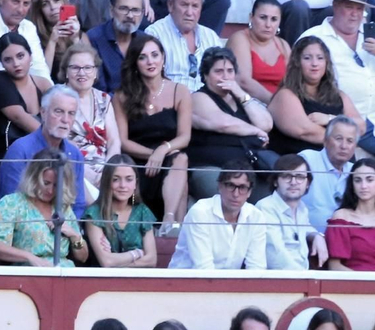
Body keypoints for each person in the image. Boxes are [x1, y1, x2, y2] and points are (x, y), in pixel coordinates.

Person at [299, 0, 375, 159]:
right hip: (335, 119)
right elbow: (299, 83)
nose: (355, 14)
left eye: (359, 8)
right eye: (349, 7)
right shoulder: (313, 37)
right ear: (335, 6)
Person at [114, 35, 191, 227]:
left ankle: (169, 220)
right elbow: (123, 141)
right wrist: (153, 155)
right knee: (177, 162)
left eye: (155, 55)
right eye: (143, 57)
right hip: (138, 162)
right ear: (135, 62)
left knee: (180, 159)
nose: (150, 62)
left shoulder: (179, 91)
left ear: (163, 58)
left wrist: (162, 151)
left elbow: (184, 136)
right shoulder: (122, 96)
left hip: (170, 157)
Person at [187, 47, 276, 201]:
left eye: (230, 71)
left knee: (269, 201)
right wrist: (256, 132)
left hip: (249, 168)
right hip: (212, 168)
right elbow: (223, 123)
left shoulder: (240, 98)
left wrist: (240, 93)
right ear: (206, 75)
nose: (225, 76)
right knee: (230, 198)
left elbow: (266, 124)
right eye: (219, 71)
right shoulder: (198, 97)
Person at [265, 35, 363, 157]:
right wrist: (345, 140)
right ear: (297, 63)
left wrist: (330, 119)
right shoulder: (285, 95)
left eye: (320, 58)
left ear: (326, 63)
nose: (314, 64)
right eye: (307, 58)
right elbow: (306, 131)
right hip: (298, 167)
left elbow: (361, 126)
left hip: (339, 164)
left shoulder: (338, 95)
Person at [0, 148, 88, 265]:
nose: (50, 190)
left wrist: (74, 235)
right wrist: (29, 257)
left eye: (56, 185)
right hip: (29, 273)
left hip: (64, 274)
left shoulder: (63, 208)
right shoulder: (12, 203)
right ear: (33, 177)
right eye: (46, 183)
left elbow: (83, 257)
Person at [1, 83, 90, 211]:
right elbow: (8, 203)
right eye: (58, 111)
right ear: (43, 113)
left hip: (65, 227)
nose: (65, 120)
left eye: (71, 113)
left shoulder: (75, 154)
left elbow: (78, 204)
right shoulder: (20, 150)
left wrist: (69, 228)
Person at [168, 163, 267, 268]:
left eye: (242, 187)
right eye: (230, 185)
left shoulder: (256, 216)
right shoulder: (200, 212)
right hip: (184, 281)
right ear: (219, 186)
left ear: (249, 192)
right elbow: (203, 267)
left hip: (226, 282)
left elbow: (257, 266)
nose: (236, 194)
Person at [322, 157, 375, 270]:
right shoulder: (341, 217)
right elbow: (335, 266)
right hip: (347, 284)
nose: (363, 186)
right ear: (352, 185)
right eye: (357, 180)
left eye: (369, 180)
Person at [83, 152, 160, 265]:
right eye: (116, 179)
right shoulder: (94, 213)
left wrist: (121, 264)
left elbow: (151, 260)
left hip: (137, 280)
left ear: (135, 184)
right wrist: (137, 253)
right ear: (107, 182)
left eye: (129, 179)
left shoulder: (143, 211)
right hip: (102, 281)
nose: (123, 185)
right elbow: (107, 261)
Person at [253, 151, 325, 267]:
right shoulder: (266, 208)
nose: (293, 182)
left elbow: (306, 228)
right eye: (287, 176)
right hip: (280, 279)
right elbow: (276, 256)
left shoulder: (302, 209)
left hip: (302, 277)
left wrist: (317, 236)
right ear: (275, 181)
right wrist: (304, 279)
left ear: (307, 183)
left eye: (300, 177)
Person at [61, 41, 119, 185]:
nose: (82, 73)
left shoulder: (104, 99)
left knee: (129, 194)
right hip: (70, 168)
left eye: (88, 68)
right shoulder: (57, 98)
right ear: (66, 72)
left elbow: (114, 142)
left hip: (105, 169)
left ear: (95, 72)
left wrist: (108, 170)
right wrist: (85, 171)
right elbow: (57, 142)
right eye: (75, 68)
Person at [0, 31, 43, 157]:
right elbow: (19, 117)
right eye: (8, 60)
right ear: (1, 63)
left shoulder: (43, 84)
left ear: (30, 56)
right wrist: (60, 142)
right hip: (2, 159)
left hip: (39, 156)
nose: (16, 64)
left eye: (20, 56)